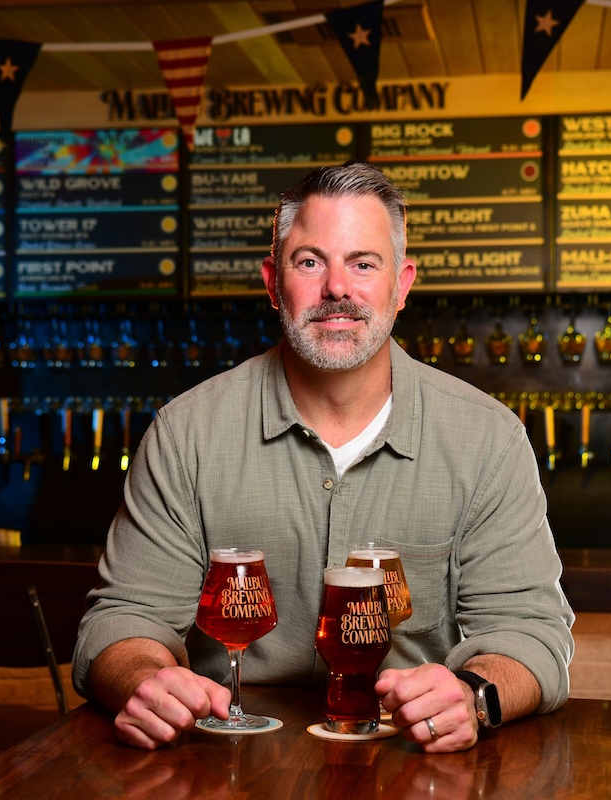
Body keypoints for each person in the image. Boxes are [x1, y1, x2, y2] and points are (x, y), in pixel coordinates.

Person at [72, 162, 574, 753]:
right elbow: (123, 620)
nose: (337, 287)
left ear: (402, 285)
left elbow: (531, 633)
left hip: (411, 758)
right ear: (272, 282)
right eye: (310, 262)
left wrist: (474, 694)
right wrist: (142, 680)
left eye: (363, 264)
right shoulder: (186, 433)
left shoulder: (488, 438)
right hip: (224, 760)